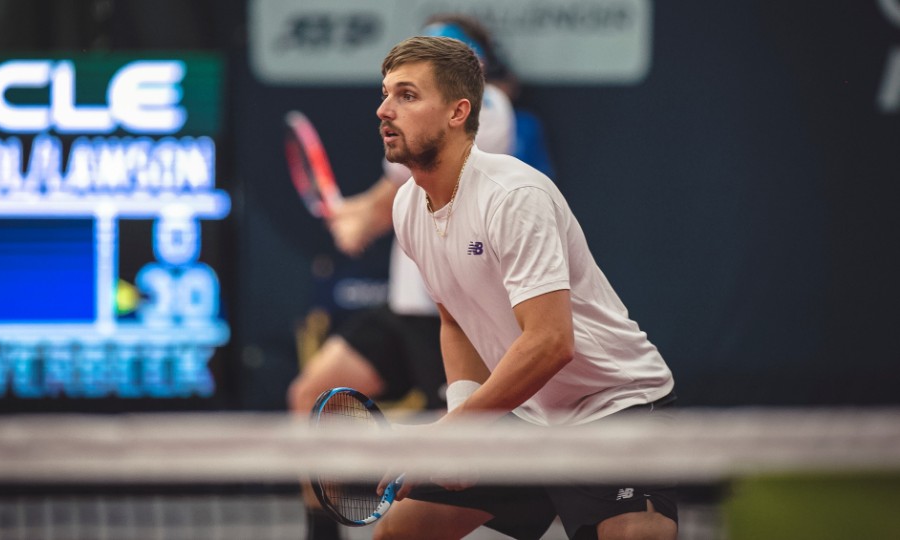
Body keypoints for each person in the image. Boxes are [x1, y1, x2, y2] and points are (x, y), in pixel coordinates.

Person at [372, 36, 679, 540]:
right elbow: (456, 319)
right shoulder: (408, 208)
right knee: (399, 534)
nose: (384, 110)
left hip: (615, 407)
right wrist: (463, 427)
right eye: (385, 94)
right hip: (529, 411)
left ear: (458, 111)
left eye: (406, 95)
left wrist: (457, 430)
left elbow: (551, 341)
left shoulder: (513, 196)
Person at [286, 15, 522, 540]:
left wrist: (362, 217)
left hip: (461, 319)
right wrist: (354, 215)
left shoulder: (494, 110)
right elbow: (390, 190)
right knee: (312, 395)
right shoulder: (411, 121)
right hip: (404, 308)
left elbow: (407, 187)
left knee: (462, 472)